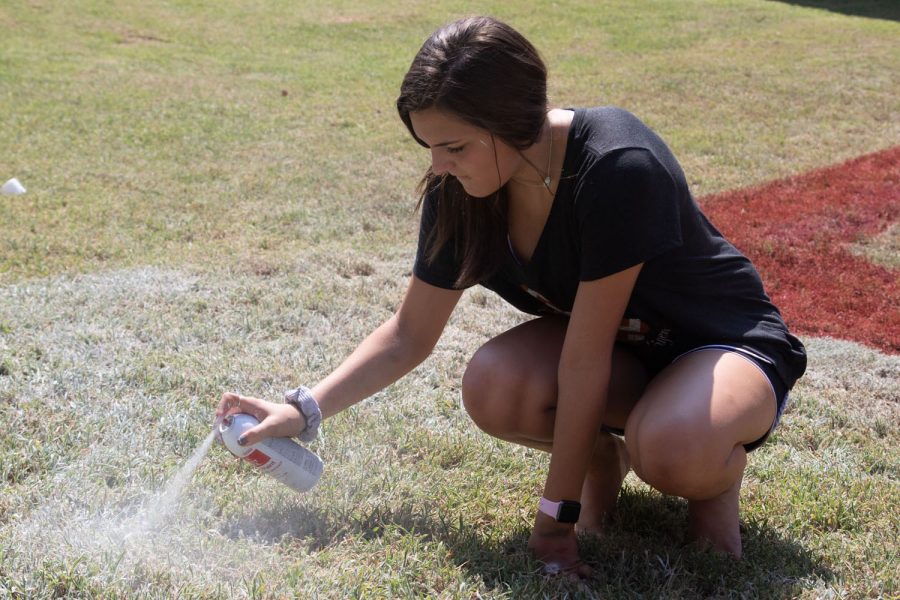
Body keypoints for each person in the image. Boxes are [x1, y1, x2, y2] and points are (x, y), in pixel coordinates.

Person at [216, 15, 807, 575]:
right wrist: (303, 409)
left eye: (455, 146)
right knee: (494, 385)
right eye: (429, 147)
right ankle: (604, 460)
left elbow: (584, 359)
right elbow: (408, 336)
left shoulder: (617, 166)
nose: (439, 166)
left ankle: (711, 477)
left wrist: (555, 522)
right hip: (619, 356)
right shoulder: (461, 191)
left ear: (513, 120)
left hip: (722, 346)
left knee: (674, 447)